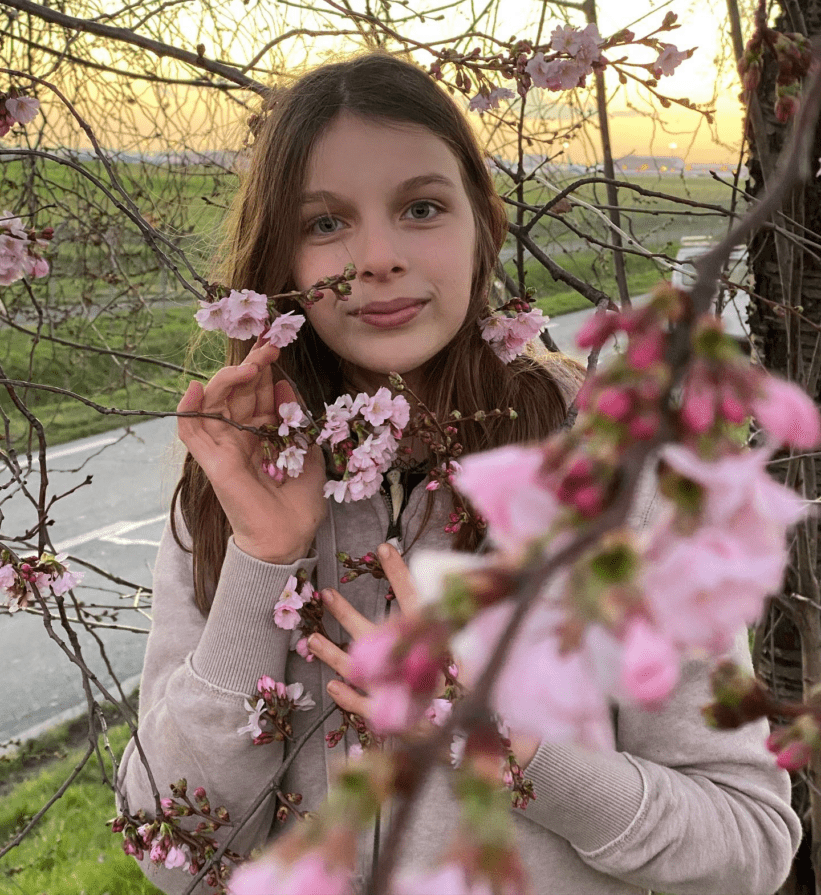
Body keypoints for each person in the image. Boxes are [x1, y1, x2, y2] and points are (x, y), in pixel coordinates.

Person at [118, 51, 800, 895]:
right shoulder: (234, 483)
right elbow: (167, 847)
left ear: (483, 223)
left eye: (420, 208)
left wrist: (507, 745)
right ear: (279, 268)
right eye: (324, 224)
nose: (374, 258)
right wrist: (262, 559)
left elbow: (748, 842)